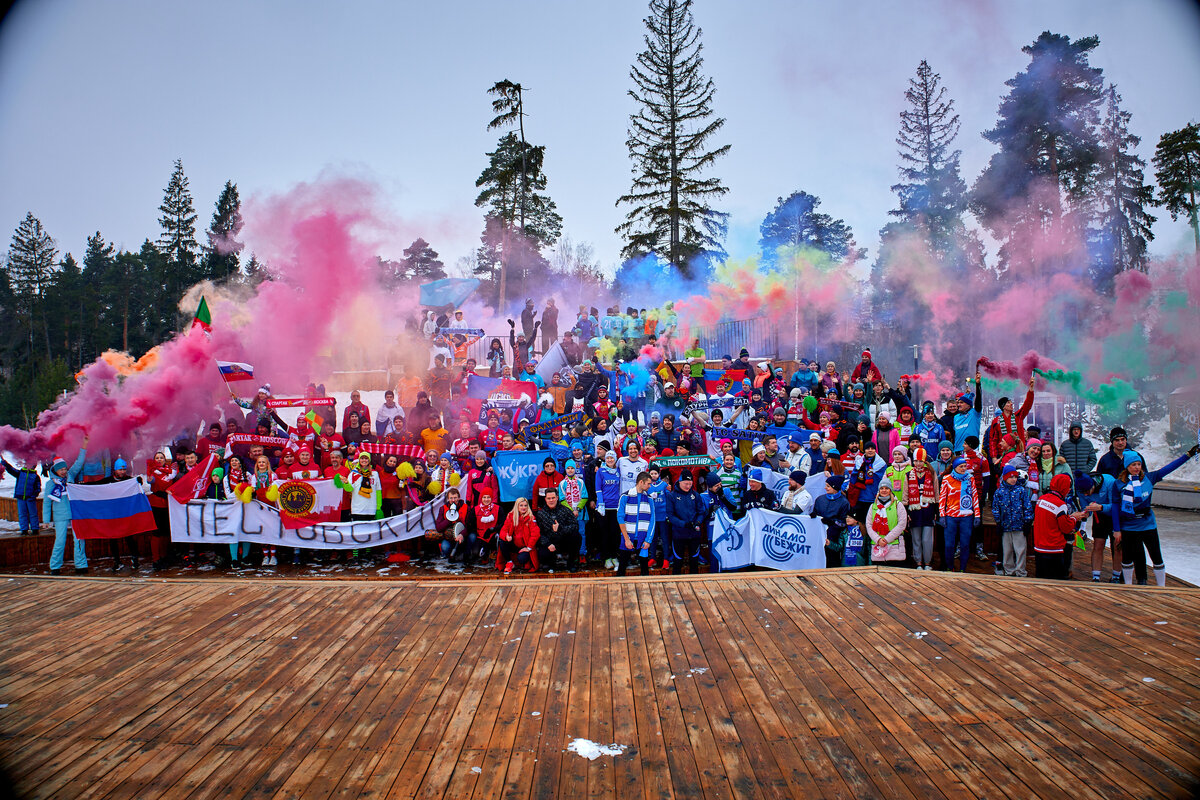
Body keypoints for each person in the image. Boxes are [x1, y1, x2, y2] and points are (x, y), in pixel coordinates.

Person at [1112, 445, 1199, 586]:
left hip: (1148, 524)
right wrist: (1117, 530)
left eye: (1139, 464)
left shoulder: (1150, 478)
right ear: (1127, 466)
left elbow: (1169, 468)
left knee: (1156, 556)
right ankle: (1128, 586)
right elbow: (1115, 507)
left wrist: (1188, 455)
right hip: (1129, 526)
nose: (1137, 467)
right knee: (1127, 558)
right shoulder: (1118, 484)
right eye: (1133, 464)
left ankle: (1161, 587)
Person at [1032, 473, 1086, 580]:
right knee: (1058, 581)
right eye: (1068, 487)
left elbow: (1050, 520)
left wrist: (1069, 518)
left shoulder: (1041, 499)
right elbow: (1065, 528)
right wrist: (1074, 518)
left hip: (1039, 547)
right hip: (1054, 549)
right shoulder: (1060, 504)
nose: (1069, 489)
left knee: (1040, 580)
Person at [43, 448, 88, 575]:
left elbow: (79, 462)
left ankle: (81, 565)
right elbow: (47, 503)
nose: (64, 471)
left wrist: (83, 447)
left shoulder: (71, 475)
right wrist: (46, 520)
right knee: (60, 541)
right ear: (55, 470)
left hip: (75, 513)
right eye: (61, 469)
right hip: (60, 515)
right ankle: (55, 566)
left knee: (79, 539)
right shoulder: (51, 483)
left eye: (65, 469)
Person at [992, 464, 1034, 577]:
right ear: (1005, 478)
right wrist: (998, 522)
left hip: (1019, 525)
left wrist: (1027, 522)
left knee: (1020, 550)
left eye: (1015, 477)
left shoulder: (1021, 491)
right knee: (1007, 550)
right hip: (1005, 526)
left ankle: (1020, 571)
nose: (1013, 479)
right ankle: (1009, 570)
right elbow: (995, 508)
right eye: (1011, 477)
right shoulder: (999, 492)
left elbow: (1027, 507)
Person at [938, 457, 979, 573]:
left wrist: (977, 515)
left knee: (965, 544)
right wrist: (942, 515)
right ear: (955, 467)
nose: (963, 469)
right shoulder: (947, 479)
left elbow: (974, 497)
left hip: (966, 516)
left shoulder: (970, 479)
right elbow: (942, 498)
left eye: (965, 466)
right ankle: (949, 567)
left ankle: (963, 568)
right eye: (961, 466)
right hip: (951, 516)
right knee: (949, 545)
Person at [616, 471, 656, 576]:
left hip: (643, 539)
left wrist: (648, 540)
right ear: (641, 482)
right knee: (622, 568)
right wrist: (626, 539)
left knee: (644, 570)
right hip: (628, 538)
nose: (649, 486)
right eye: (648, 483)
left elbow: (652, 520)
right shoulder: (625, 496)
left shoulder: (649, 499)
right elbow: (620, 519)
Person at [666, 471, 706, 575]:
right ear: (680, 482)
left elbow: (701, 512)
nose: (688, 486)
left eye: (690, 483)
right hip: (679, 533)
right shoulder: (672, 496)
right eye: (685, 483)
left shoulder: (696, 495)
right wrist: (684, 524)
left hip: (694, 533)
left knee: (694, 561)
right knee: (678, 561)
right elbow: (670, 516)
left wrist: (697, 522)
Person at [535, 489, 580, 572]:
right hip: (550, 542)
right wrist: (548, 543)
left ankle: (571, 563)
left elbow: (575, 526)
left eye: (553, 498)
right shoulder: (540, 514)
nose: (551, 500)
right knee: (542, 554)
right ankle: (551, 564)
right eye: (549, 498)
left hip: (563, 540)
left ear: (557, 498)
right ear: (545, 499)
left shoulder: (565, 510)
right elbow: (538, 532)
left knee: (576, 536)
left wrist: (561, 529)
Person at [812, 475, 850, 568]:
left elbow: (844, 522)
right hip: (819, 535)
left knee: (831, 559)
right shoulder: (820, 499)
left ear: (835, 487)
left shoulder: (844, 502)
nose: (825, 488)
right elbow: (815, 513)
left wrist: (832, 522)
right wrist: (812, 516)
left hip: (833, 537)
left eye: (828, 486)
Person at [867, 480, 908, 566]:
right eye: (882, 488)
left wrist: (886, 539)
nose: (884, 490)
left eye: (887, 488)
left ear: (890, 490)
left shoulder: (898, 505)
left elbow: (902, 524)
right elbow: (868, 525)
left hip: (894, 547)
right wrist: (878, 540)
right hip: (877, 547)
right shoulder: (873, 506)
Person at [497, 496, 540, 574]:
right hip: (514, 543)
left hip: (525, 545)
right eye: (521, 505)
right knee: (502, 542)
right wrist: (506, 536)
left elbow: (535, 534)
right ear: (517, 506)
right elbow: (503, 530)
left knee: (522, 559)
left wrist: (529, 547)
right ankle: (509, 562)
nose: (523, 507)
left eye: (525, 505)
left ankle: (525, 561)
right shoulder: (511, 516)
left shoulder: (531, 518)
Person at [1, 455, 40, 535]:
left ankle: (35, 529)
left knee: (33, 514)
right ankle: (24, 530)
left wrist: (33, 496)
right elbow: (11, 469)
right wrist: (5, 463)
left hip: (30, 499)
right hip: (20, 497)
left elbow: (38, 488)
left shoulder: (35, 476)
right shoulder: (20, 473)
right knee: (22, 514)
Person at [435, 487, 471, 563]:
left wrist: (462, 534)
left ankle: (464, 553)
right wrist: (449, 519)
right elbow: (438, 527)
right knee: (445, 547)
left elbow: (470, 525)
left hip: (462, 536)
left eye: (455, 498)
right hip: (448, 537)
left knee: (472, 537)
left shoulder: (466, 508)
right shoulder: (443, 508)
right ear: (448, 499)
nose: (453, 500)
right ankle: (449, 554)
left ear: (459, 498)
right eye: (451, 498)